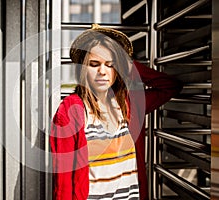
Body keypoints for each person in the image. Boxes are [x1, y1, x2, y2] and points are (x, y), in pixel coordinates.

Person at [50, 24, 183, 200]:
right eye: (94, 64)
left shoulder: (131, 103)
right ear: (83, 68)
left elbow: (170, 86)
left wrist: (128, 66)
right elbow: (63, 182)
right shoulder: (70, 110)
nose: (102, 72)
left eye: (110, 65)